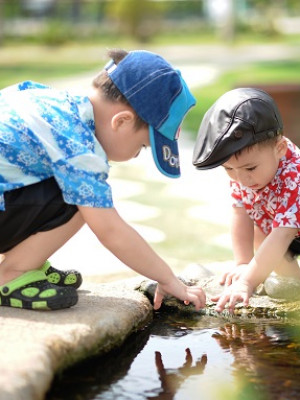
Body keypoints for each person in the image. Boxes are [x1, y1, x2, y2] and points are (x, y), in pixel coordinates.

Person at [0, 49, 206, 311]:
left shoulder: (49, 101)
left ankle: (25, 261)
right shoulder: (78, 144)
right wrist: (167, 278)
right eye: (142, 146)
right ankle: (12, 274)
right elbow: (110, 231)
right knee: (85, 200)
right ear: (121, 121)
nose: (135, 156)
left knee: (64, 183)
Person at [192, 87, 300, 313]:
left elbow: (283, 233)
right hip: (278, 226)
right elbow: (240, 212)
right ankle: (294, 291)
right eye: (228, 169)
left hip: (288, 228)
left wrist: (246, 282)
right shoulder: (244, 171)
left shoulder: (294, 175)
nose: (241, 178)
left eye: (249, 168)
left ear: (279, 148)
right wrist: (243, 262)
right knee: (263, 240)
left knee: (273, 239)